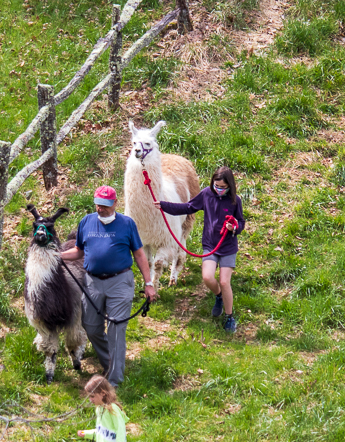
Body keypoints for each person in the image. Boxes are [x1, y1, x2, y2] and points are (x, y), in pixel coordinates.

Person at [61, 185, 156, 390]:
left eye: (105, 205)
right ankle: (110, 363)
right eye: (98, 204)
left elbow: (139, 254)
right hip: (92, 282)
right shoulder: (86, 222)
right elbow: (78, 251)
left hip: (120, 281)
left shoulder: (127, 224)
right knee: (91, 326)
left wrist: (149, 284)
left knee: (115, 329)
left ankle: (114, 380)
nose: (100, 209)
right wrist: (57, 257)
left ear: (115, 203)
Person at [159, 164, 246, 333]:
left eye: (222, 187)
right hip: (210, 245)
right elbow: (188, 207)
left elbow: (241, 222)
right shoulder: (207, 194)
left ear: (230, 186)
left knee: (224, 281)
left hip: (228, 247)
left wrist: (234, 228)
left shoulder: (236, 201)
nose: (218, 189)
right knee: (207, 277)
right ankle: (219, 296)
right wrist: (163, 205)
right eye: (216, 186)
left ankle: (229, 317)